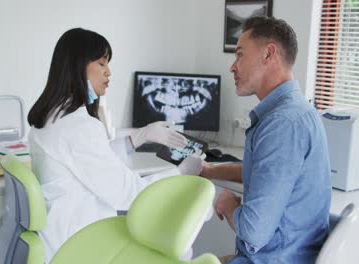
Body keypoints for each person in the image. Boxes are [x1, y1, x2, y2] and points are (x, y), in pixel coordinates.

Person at [27, 28, 204, 263]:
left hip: (62, 238)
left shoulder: (51, 116)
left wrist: (136, 139)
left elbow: (88, 163)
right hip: (80, 245)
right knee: (178, 250)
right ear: (77, 66)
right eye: (102, 63)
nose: (109, 72)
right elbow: (130, 195)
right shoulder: (78, 127)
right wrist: (180, 173)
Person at [200, 16, 331, 263]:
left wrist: (227, 203)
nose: (232, 66)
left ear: (269, 54)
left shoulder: (282, 125)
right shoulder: (297, 111)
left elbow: (253, 233)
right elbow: (265, 171)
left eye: (239, 54)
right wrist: (209, 170)